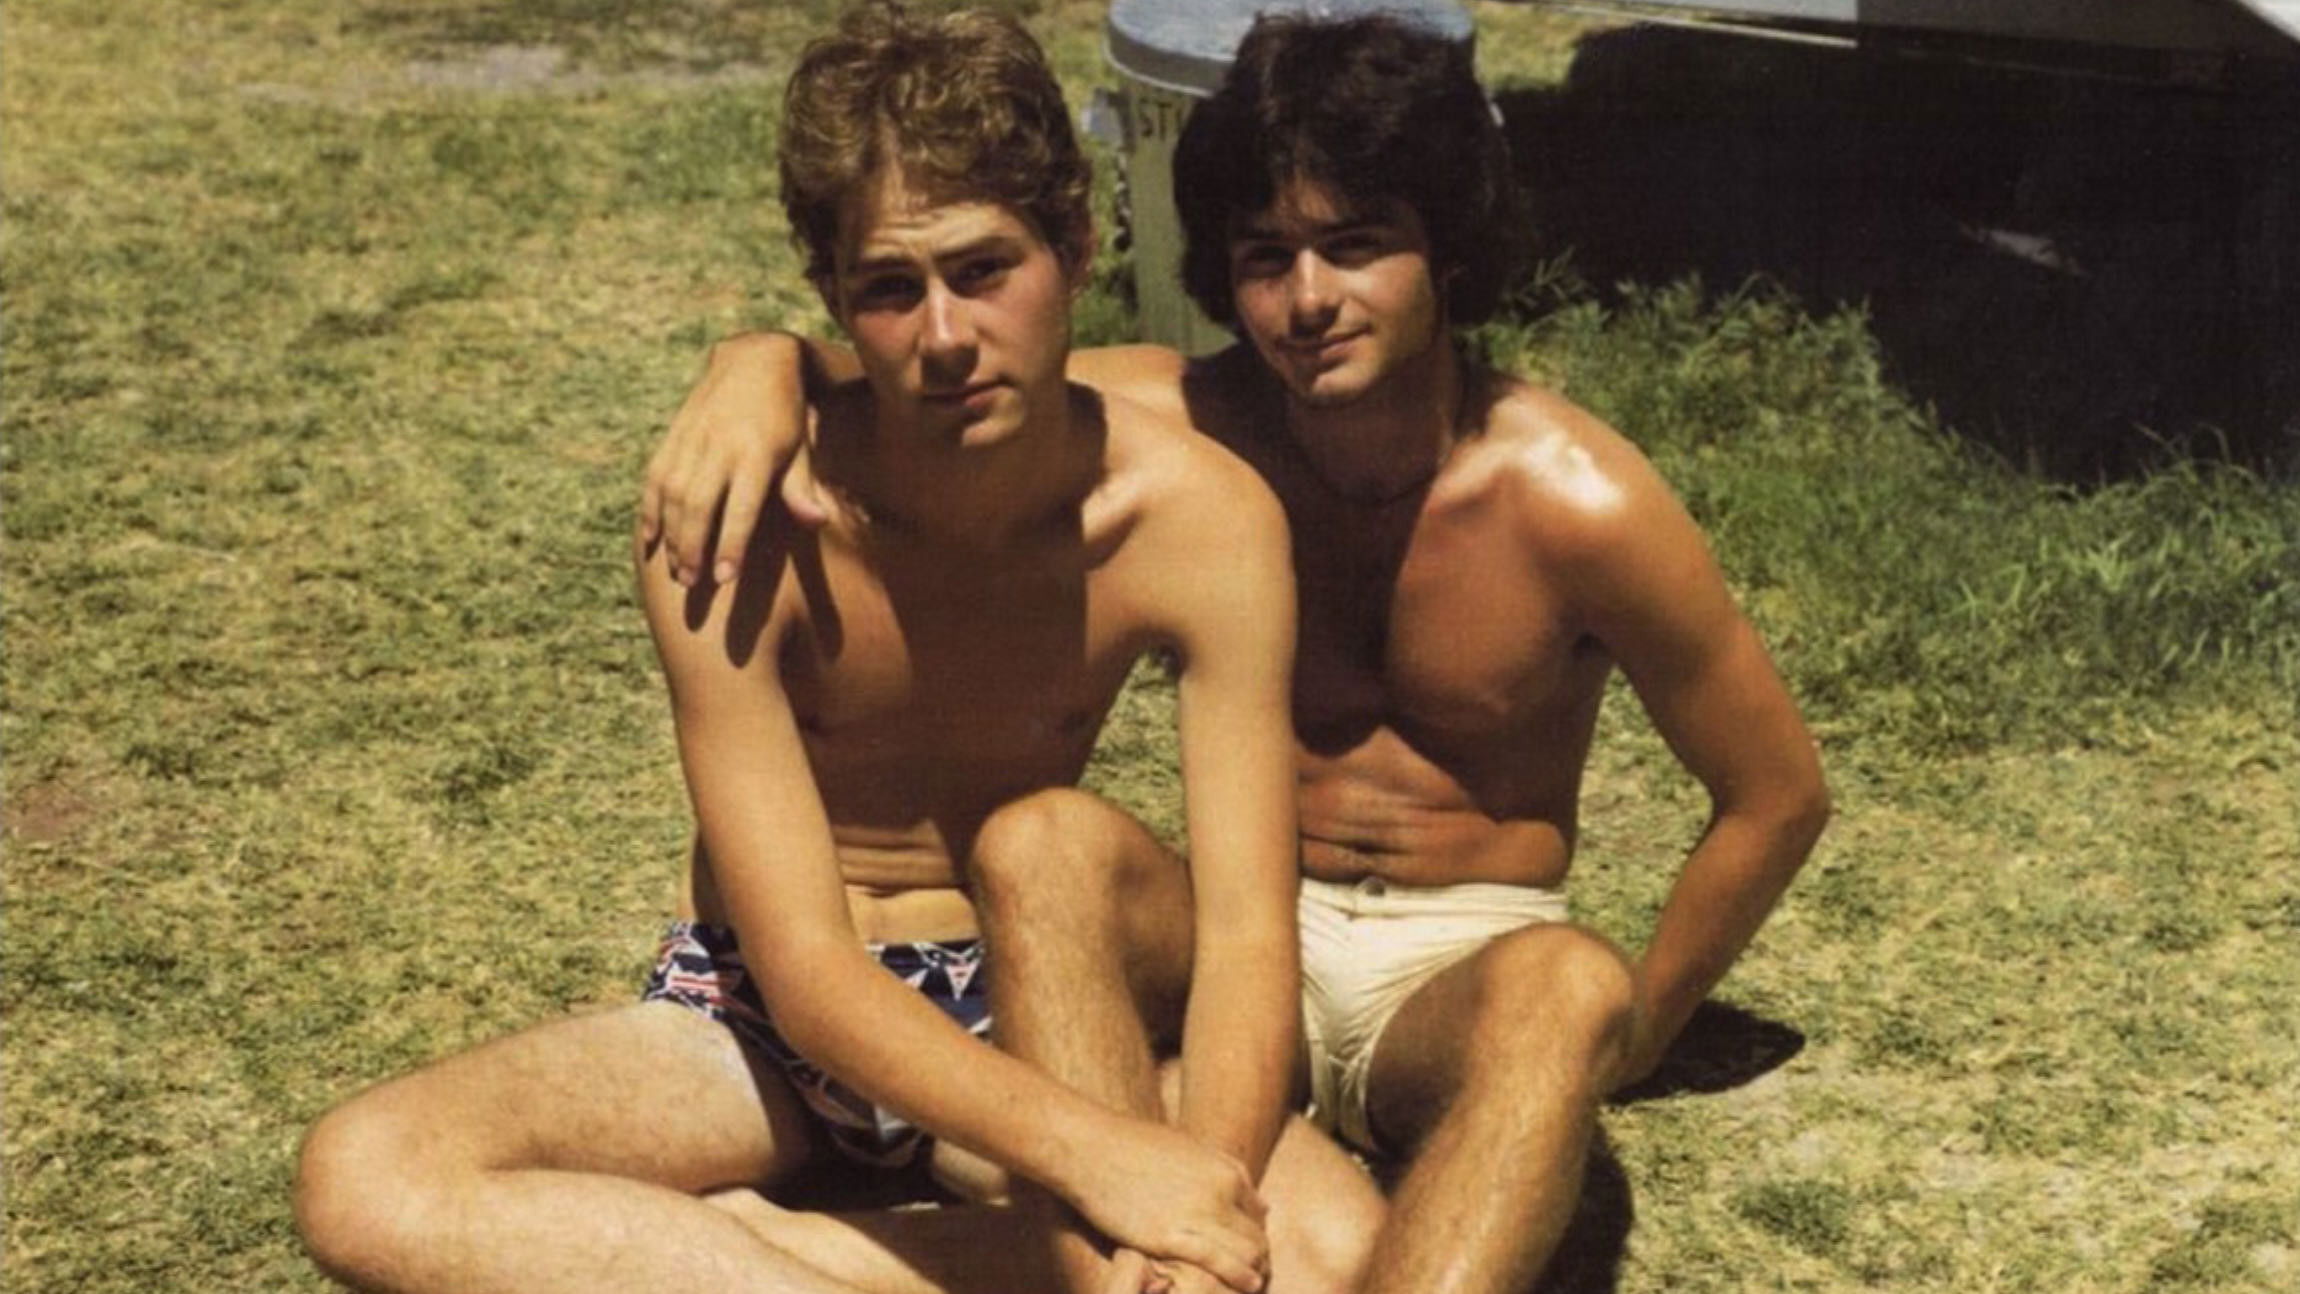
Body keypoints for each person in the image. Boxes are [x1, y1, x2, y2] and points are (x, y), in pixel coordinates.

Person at [643, 13, 1833, 1294]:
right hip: (1226, 938)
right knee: (1044, 840)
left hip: (1449, 971)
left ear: (1446, 249)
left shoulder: (1575, 497)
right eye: (1266, 258)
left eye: (1354, 246)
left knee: (1569, 988)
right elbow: (936, 358)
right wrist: (757, 364)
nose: (1307, 301)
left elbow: (1774, 795)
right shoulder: (1188, 417)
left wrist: (1634, 1032)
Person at [294, 7, 1383, 1293]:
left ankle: (793, 1249)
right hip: (759, 1017)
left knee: (1329, 1248)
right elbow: (808, 972)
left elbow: (1247, 933)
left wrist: (1200, 1200)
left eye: (983, 269)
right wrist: (1098, 1155)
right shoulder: (736, 516)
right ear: (833, 298)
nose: (943, 336)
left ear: (1076, 247)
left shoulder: (1198, 519)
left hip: (1025, 993)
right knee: (369, 1174)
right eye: (888, 289)